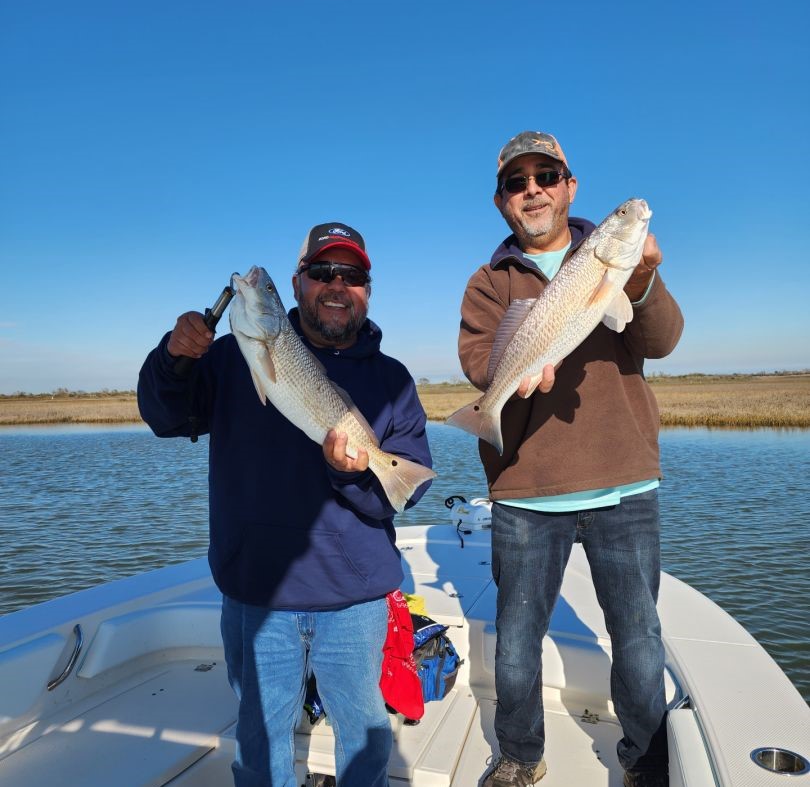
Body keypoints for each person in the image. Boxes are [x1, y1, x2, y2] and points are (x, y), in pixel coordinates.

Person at [138, 222, 433, 787]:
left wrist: (350, 476)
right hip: (257, 590)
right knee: (260, 736)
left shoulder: (392, 379)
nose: (337, 285)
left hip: (356, 598)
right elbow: (165, 417)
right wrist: (173, 358)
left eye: (352, 275)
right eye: (323, 273)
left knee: (364, 733)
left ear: (368, 289)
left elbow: (399, 496)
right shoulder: (227, 359)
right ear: (298, 284)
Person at [457, 132, 684, 787]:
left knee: (639, 639)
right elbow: (480, 363)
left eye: (546, 174)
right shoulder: (488, 280)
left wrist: (640, 278)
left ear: (569, 186)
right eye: (517, 181)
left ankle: (645, 758)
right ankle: (521, 753)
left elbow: (661, 339)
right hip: (528, 490)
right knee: (518, 645)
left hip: (625, 480)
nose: (533, 189)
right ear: (502, 200)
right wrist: (518, 367)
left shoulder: (613, 259)